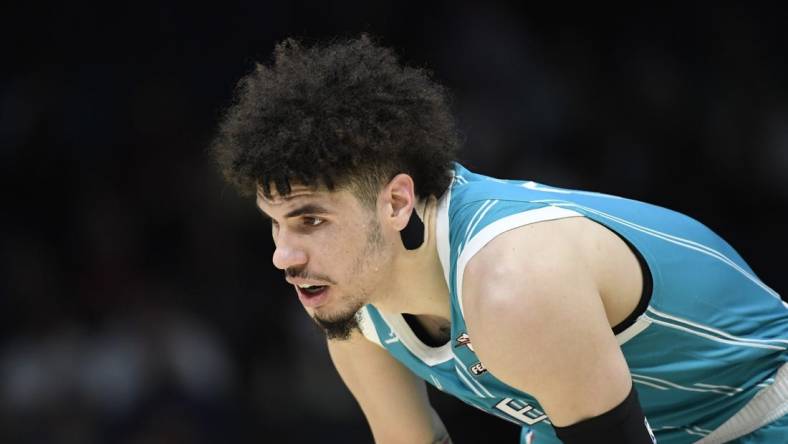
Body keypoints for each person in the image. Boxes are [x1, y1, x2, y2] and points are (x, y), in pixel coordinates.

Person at [211, 35, 788, 443]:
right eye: (275, 221)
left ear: (395, 202)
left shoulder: (512, 282)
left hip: (758, 414)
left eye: (310, 220)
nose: (284, 256)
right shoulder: (347, 296)